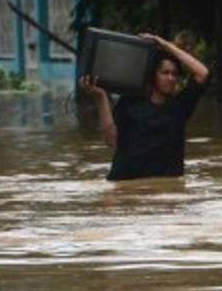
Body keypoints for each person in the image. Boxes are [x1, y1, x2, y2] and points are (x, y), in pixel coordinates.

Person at [79, 34, 210, 181]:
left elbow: (202, 72)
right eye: (165, 73)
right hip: (127, 184)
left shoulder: (179, 106)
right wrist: (101, 97)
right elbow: (110, 141)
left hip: (166, 187)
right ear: (152, 75)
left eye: (174, 74)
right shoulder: (129, 103)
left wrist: (164, 44)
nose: (171, 78)